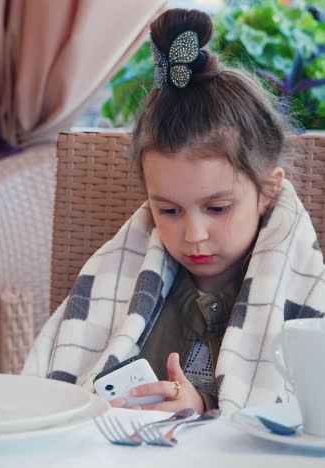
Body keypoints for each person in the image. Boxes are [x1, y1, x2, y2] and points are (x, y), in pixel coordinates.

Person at [22, 8, 325, 416]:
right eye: (168, 210)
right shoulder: (126, 283)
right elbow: (77, 387)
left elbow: (292, 410)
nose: (193, 234)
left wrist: (199, 405)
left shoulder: (298, 297)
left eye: (217, 208)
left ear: (268, 190)